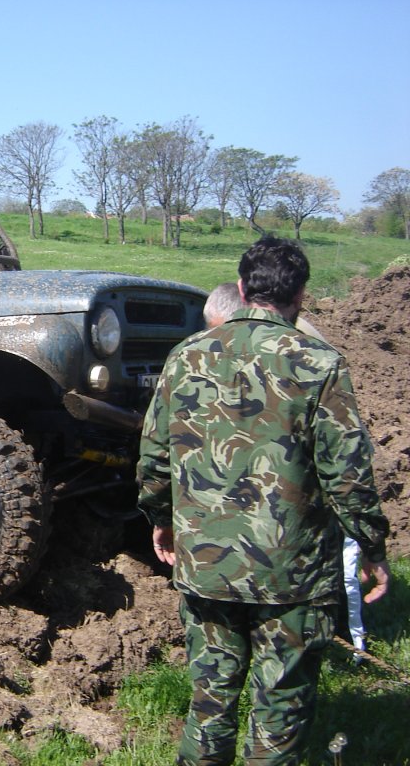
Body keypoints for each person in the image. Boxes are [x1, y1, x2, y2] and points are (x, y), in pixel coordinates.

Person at [137, 237, 391, 765]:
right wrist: (372, 546)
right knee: (281, 709)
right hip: (291, 573)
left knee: (210, 701)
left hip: (206, 562)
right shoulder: (319, 362)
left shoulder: (186, 357)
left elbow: (155, 458)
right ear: (301, 293)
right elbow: (348, 473)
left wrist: (161, 521)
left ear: (242, 285)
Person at [204, 281, 369, 658]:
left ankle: (349, 641)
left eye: (217, 328)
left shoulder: (298, 348)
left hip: (314, 454)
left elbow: (339, 458)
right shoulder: (279, 338)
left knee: (340, 562)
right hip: (299, 455)